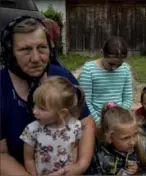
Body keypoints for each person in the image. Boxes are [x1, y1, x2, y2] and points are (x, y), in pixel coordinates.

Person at [0, 16, 95, 175]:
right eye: (25, 50)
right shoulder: (2, 87)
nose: (36, 58)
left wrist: (80, 166)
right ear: (10, 53)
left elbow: (86, 124)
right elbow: (1, 154)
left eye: (42, 47)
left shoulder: (61, 76)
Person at [20, 76, 84, 175]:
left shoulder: (75, 127)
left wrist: (73, 168)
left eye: (42, 108)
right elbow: (29, 159)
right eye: (35, 104)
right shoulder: (32, 130)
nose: (34, 111)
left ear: (62, 113)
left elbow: (74, 147)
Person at [79, 36, 133, 124]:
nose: (114, 68)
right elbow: (85, 101)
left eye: (119, 64)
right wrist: (98, 122)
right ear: (102, 53)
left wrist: (119, 118)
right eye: (111, 63)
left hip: (118, 120)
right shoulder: (89, 69)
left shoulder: (125, 69)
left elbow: (127, 98)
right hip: (95, 120)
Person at [88, 102, 146, 175]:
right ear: (109, 138)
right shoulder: (98, 155)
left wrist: (138, 171)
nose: (132, 142)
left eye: (135, 134)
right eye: (125, 138)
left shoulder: (142, 147)